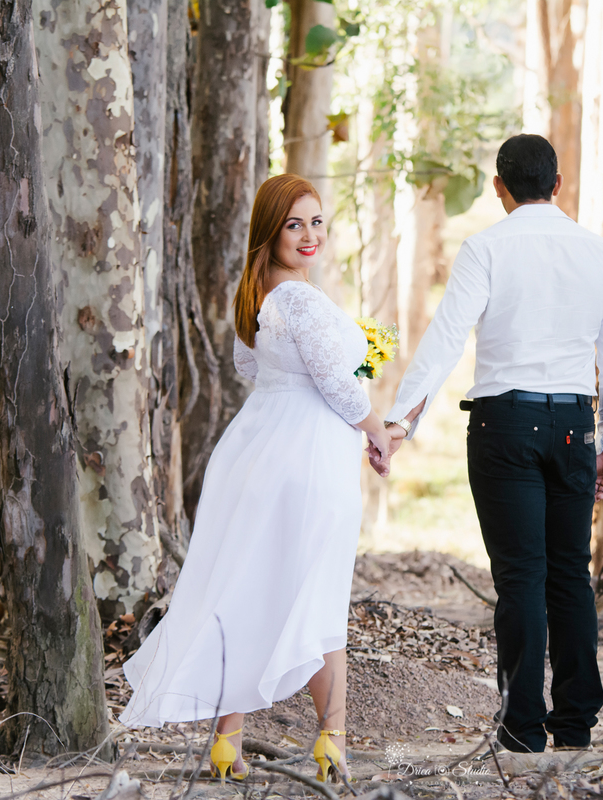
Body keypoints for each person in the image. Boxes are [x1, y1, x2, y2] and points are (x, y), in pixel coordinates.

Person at [120, 174, 392, 783]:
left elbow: (251, 365)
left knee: (248, 589)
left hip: (259, 446)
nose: (310, 235)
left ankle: (228, 743)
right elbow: (336, 382)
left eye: (316, 221)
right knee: (319, 597)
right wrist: (377, 429)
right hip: (307, 457)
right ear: (270, 232)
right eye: (295, 224)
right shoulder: (298, 297)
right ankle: (332, 743)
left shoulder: (259, 292)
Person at [375, 134, 603, 753]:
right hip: (573, 424)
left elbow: (446, 336)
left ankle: (521, 729)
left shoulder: (486, 248)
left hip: (504, 425)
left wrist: (402, 421)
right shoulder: (600, 254)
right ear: (558, 184)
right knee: (570, 573)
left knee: (520, 578)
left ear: (499, 188)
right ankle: (575, 723)